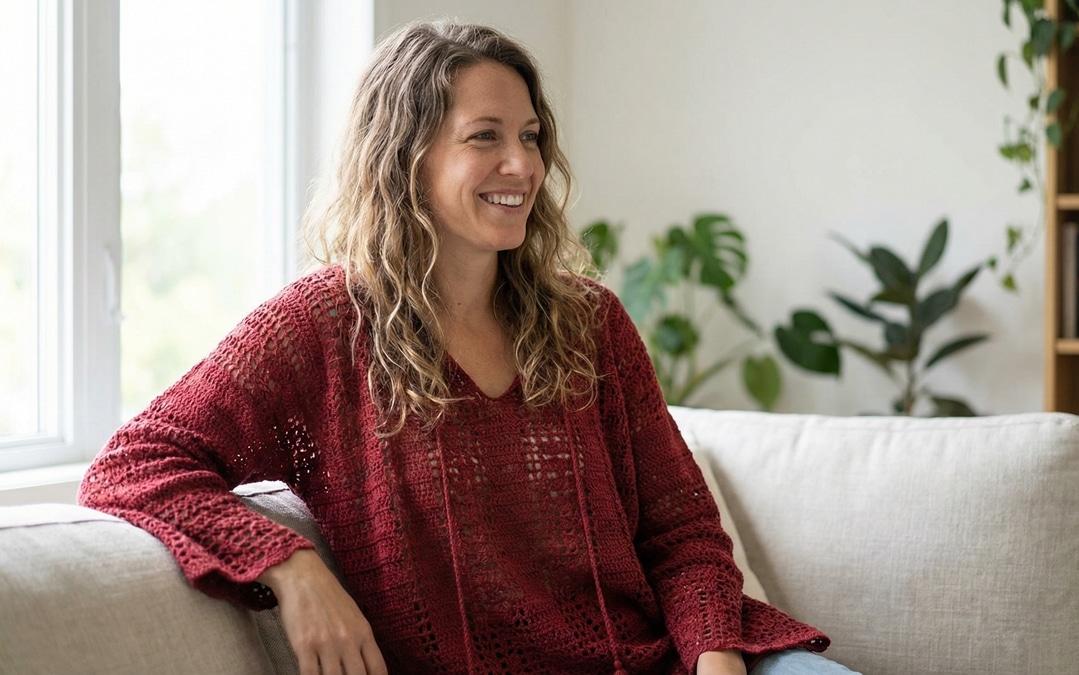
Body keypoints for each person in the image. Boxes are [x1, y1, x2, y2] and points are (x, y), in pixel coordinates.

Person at [79, 19, 860, 675]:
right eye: (484, 137)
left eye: (530, 135)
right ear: (406, 158)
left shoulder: (590, 321)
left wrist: (717, 662)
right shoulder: (322, 327)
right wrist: (290, 565)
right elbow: (136, 462)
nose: (522, 164)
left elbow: (680, 532)